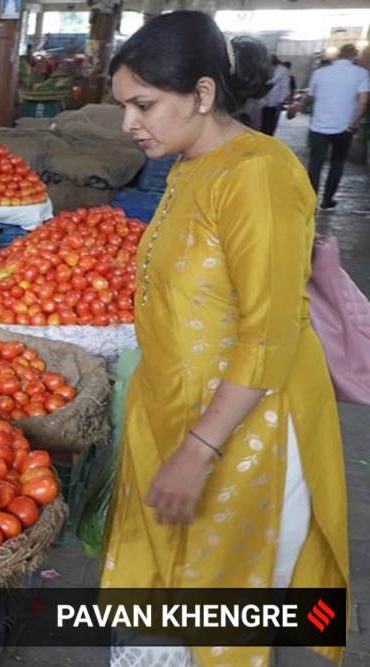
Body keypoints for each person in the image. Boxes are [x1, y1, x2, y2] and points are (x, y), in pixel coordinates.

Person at [107, 11, 347, 667]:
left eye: (144, 103)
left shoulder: (258, 174)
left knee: (217, 608)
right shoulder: (191, 164)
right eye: (126, 105)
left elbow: (267, 333)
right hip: (177, 413)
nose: (130, 122)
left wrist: (200, 447)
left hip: (246, 430)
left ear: (204, 93)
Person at [304, 43, 370, 209]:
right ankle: (327, 200)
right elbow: (363, 102)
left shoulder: (320, 73)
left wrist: (309, 108)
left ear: (338, 55)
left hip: (318, 126)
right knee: (337, 164)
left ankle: (310, 201)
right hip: (344, 128)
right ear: (355, 56)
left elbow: (310, 97)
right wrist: (352, 123)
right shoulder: (362, 74)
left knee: (315, 164)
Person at [260, 56, 291, 136]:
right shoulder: (263, 68)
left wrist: (280, 101)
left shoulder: (283, 70)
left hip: (274, 101)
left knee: (270, 122)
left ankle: (269, 136)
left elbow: (284, 87)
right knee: (261, 122)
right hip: (261, 100)